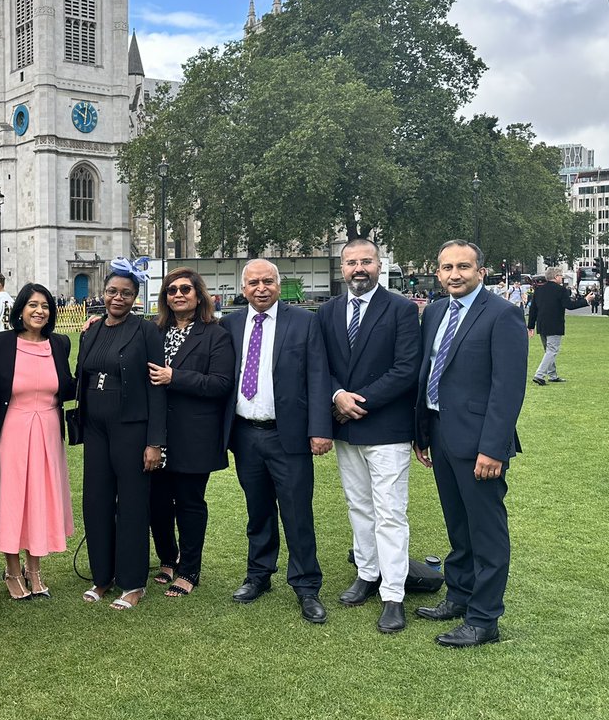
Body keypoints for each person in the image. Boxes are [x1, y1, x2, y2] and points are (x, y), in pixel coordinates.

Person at [414, 240, 527, 648]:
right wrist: (422, 432)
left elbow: (508, 388)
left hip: (481, 442)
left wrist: (494, 448)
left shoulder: (503, 315)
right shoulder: (436, 312)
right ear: (438, 272)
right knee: (458, 525)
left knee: (486, 531)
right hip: (441, 433)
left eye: (463, 266)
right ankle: (459, 596)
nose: (454, 274)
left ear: (481, 271)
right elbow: (430, 374)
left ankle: (484, 619)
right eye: (446, 267)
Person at [316, 239, 420, 633]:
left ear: (380, 264)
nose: (359, 268)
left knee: (391, 513)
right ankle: (367, 573)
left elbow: (407, 367)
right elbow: (319, 363)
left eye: (366, 261)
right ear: (342, 268)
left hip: (386, 428)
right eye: (351, 262)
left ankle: (393, 594)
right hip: (346, 428)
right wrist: (337, 395)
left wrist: (360, 400)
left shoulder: (402, 309)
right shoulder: (326, 312)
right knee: (359, 507)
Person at [221, 259, 333, 624]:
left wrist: (320, 429)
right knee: (258, 510)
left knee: (297, 513)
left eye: (268, 281)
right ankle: (258, 575)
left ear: (278, 285)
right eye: (253, 282)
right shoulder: (231, 324)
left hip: (289, 436)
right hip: (245, 435)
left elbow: (318, 377)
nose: (261, 288)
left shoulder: (304, 322)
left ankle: (306, 586)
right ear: (243, 288)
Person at [75, 258, 166, 610]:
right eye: (112, 291)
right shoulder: (92, 329)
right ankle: (103, 577)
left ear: (136, 297)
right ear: (103, 292)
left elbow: (157, 388)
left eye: (126, 293)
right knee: (96, 501)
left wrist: (155, 441)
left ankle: (132, 581)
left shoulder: (146, 332)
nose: (118, 298)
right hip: (95, 428)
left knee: (130, 504)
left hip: (131, 427)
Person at [147, 267, 234, 597]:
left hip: (194, 435)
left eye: (186, 289)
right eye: (172, 290)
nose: (178, 294)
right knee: (157, 502)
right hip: (157, 434)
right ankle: (168, 558)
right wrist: (95, 324)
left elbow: (221, 384)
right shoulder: (154, 332)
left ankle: (189, 569)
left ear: (199, 295)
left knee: (189, 503)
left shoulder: (215, 333)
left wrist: (176, 377)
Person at [0, 283, 75, 598]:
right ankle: (12, 572)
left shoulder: (60, 344)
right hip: (12, 431)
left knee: (39, 498)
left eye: (45, 306)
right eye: (33, 305)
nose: (39, 311)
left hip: (49, 431)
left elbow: (68, 386)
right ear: (21, 310)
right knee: (14, 500)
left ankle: (34, 570)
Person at [527, 267, 591, 386]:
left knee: (548, 350)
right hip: (555, 324)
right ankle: (539, 374)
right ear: (556, 276)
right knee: (552, 351)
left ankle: (552, 375)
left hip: (542, 325)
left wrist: (530, 326)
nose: (562, 278)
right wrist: (585, 300)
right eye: (561, 275)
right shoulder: (561, 290)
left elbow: (533, 310)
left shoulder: (539, 290)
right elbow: (570, 305)